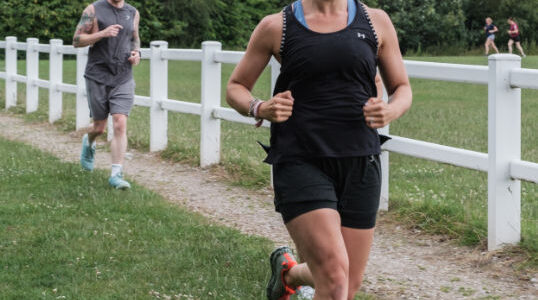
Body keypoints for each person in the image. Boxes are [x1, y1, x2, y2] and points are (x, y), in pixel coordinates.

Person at [226, 0, 412, 299]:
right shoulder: (277, 26)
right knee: (335, 277)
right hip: (300, 158)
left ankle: (287, 274)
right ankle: (292, 275)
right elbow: (236, 86)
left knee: (347, 281)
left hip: (360, 160)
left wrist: (391, 111)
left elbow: (402, 87)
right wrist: (260, 107)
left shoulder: (376, 22)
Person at [73, 0, 141, 189]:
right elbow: (76, 40)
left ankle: (116, 175)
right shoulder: (93, 10)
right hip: (98, 76)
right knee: (99, 127)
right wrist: (103, 33)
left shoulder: (133, 12)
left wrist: (137, 53)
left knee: (120, 122)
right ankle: (89, 141)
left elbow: (134, 38)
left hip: (123, 77)